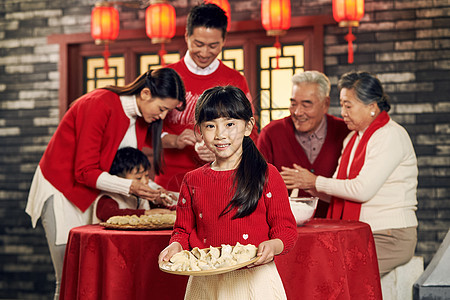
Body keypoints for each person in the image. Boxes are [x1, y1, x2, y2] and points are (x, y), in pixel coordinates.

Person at [25, 68, 185, 299]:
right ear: (146, 93)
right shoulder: (99, 103)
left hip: (91, 192)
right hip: (61, 189)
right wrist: (133, 188)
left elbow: (121, 172)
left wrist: (155, 191)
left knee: (85, 274)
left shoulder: (139, 119)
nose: (162, 117)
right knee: (67, 276)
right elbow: (84, 171)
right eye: (162, 109)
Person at [158, 86, 297, 299]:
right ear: (200, 131)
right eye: (210, 126)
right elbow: (182, 231)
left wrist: (273, 245)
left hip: (255, 281)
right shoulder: (192, 180)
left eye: (230, 124)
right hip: (205, 281)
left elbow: (285, 229)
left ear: (248, 126)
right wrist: (175, 245)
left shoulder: (267, 174)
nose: (220, 134)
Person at [281, 71, 418, 276]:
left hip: (389, 236)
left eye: (348, 105)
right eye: (342, 104)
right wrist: (308, 184)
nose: (343, 112)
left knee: (335, 275)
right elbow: (338, 191)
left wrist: (315, 181)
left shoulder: (390, 135)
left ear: (371, 107)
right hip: (363, 232)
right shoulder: (353, 139)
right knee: (314, 267)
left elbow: (361, 190)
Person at [155, 2, 258, 192]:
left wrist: (224, 149)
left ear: (224, 40)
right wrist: (173, 140)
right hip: (169, 186)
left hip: (221, 184)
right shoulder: (165, 76)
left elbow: (251, 132)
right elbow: (142, 135)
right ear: (187, 37)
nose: (204, 53)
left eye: (213, 46)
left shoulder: (235, 80)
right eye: (198, 44)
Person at [257, 71, 349, 217]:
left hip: (336, 227)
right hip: (284, 229)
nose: (298, 112)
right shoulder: (271, 133)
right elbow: (255, 186)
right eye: (293, 104)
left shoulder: (345, 132)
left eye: (306, 105)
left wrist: (312, 183)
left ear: (325, 104)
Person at [92, 147, 175, 223]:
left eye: (146, 176)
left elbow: (158, 210)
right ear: (119, 178)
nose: (145, 181)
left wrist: (164, 205)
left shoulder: (140, 197)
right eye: (138, 178)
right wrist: (146, 213)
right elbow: (112, 214)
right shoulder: (107, 198)